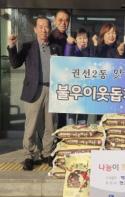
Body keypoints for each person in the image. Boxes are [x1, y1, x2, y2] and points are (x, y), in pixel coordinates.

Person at [7, 16, 62, 170]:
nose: (44, 29)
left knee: (50, 125)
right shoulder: (27, 46)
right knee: (31, 126)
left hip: (51, 89)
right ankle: (29, 155)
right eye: (41, 26)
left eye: (46, 27)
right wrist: (11, 46)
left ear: (50, 29)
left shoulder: (56, 47)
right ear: (35, 29)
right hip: (33, 90)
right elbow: (15, 63)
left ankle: (47, 153)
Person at [64, 28, 94, 124]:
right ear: (75, 39)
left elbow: (95, 63)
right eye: (80, 38)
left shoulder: (90, 51)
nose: (82, 40)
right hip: (72, 89)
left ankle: (80, 137)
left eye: (85, 38)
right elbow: (67, 58)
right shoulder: (71, 49)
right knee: (71, 120)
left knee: (83, 120)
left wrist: (94, 45)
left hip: (85, 90)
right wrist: (69, 45)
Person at [49, 10, 70, 129]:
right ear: (55, 21)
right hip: (50, 84)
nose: (63, 23)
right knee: (49, 119)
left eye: (66, 20)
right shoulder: (49, 38)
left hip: (63, 84)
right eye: (60, 20)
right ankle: (47, 144)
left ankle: (59, 142)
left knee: (62, 117)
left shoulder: (68, 39)